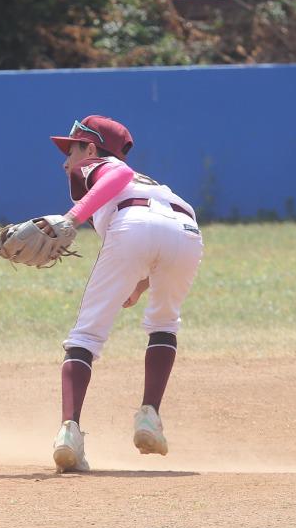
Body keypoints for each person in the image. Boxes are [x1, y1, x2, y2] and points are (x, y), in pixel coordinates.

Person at [45, 115, 203, 472]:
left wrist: (71, 218)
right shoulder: (153, 184)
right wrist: (139, 283)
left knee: (85, 335)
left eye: (71, 150)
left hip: (135, 224)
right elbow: (159, 237)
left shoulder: (103, 166)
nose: (66, 162)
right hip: (187, 231)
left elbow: (118, 174)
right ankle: (150, 417)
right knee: (164, 323)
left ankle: (69, 431)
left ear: (90, 148)